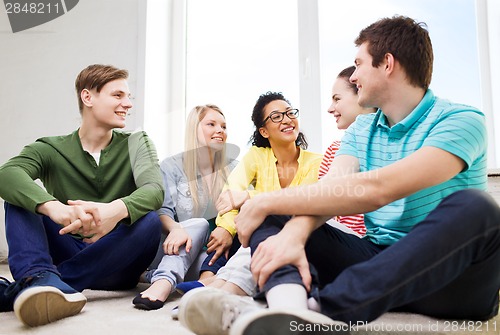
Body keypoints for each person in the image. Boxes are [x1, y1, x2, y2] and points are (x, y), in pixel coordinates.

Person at [177, 16, 500, 335]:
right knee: (275, 212)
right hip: (377, 261)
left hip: (455, 281)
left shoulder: (462, 120)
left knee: (478, 208)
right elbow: (332, 191)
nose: (354, 75)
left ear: (387, 63)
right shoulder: (361, 129)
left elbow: (379, 189)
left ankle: (323, 310)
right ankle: (290, 312)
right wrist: (291, 230)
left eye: (358, 64)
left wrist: (264, 199)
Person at [0, 64, 164, 327]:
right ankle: (40, 279)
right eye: (118, 95)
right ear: (88, 97)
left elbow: (154, 189)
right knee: (18, 197)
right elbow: (6, 174)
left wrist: (113, 211)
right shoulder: (50, 148)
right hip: (67, 245)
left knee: (151, 221)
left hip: (116, 261)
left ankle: (34, 283)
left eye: (129, 97)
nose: (128, 104)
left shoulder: (137, 142)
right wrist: (55, 208)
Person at [176, 91, 323, 300]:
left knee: (261, 218)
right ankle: (209, 278)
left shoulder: (317, 161)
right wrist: (226, 228)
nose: (287, 120)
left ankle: (214, 285)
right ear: (264, 131)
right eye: (276, 116)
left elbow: (301, 200)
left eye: (290, 113)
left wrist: (249, 197)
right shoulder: (256, 156)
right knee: (237, 223)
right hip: (255, 231)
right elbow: (230, 193)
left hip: (295, 231)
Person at [132, 104, 238, 310]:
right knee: (199, 224)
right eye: (211, 124)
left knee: (224, 267)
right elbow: (162, 212)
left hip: (208, 253)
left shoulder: (235, 168)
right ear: (194, 129)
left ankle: (152, 276)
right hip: (172, 247)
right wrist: (177, 229)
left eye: (224, 126)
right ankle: (163, 281)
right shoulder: (170, 166)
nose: (220, 130)